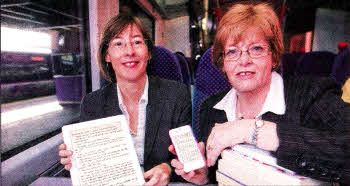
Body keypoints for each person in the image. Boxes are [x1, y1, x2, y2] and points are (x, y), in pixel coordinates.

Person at [170, 2, 350, 184]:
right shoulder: (210, 108)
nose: (244, 60)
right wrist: (204, 176)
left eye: (256, 49)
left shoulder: (311, 95)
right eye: (232, 52)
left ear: (274, 56)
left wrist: (251, 130)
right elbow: (217, 174)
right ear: (222, 63)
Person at [59, 14, 191, 186]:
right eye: (118, 44)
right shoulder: (92, 104)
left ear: (148, 52)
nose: (129, 51)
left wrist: (168, 169)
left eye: (137, 42)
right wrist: (75, 163)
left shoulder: (176, 95)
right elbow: (94, 170)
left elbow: (187, 159)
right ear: (107, 55)